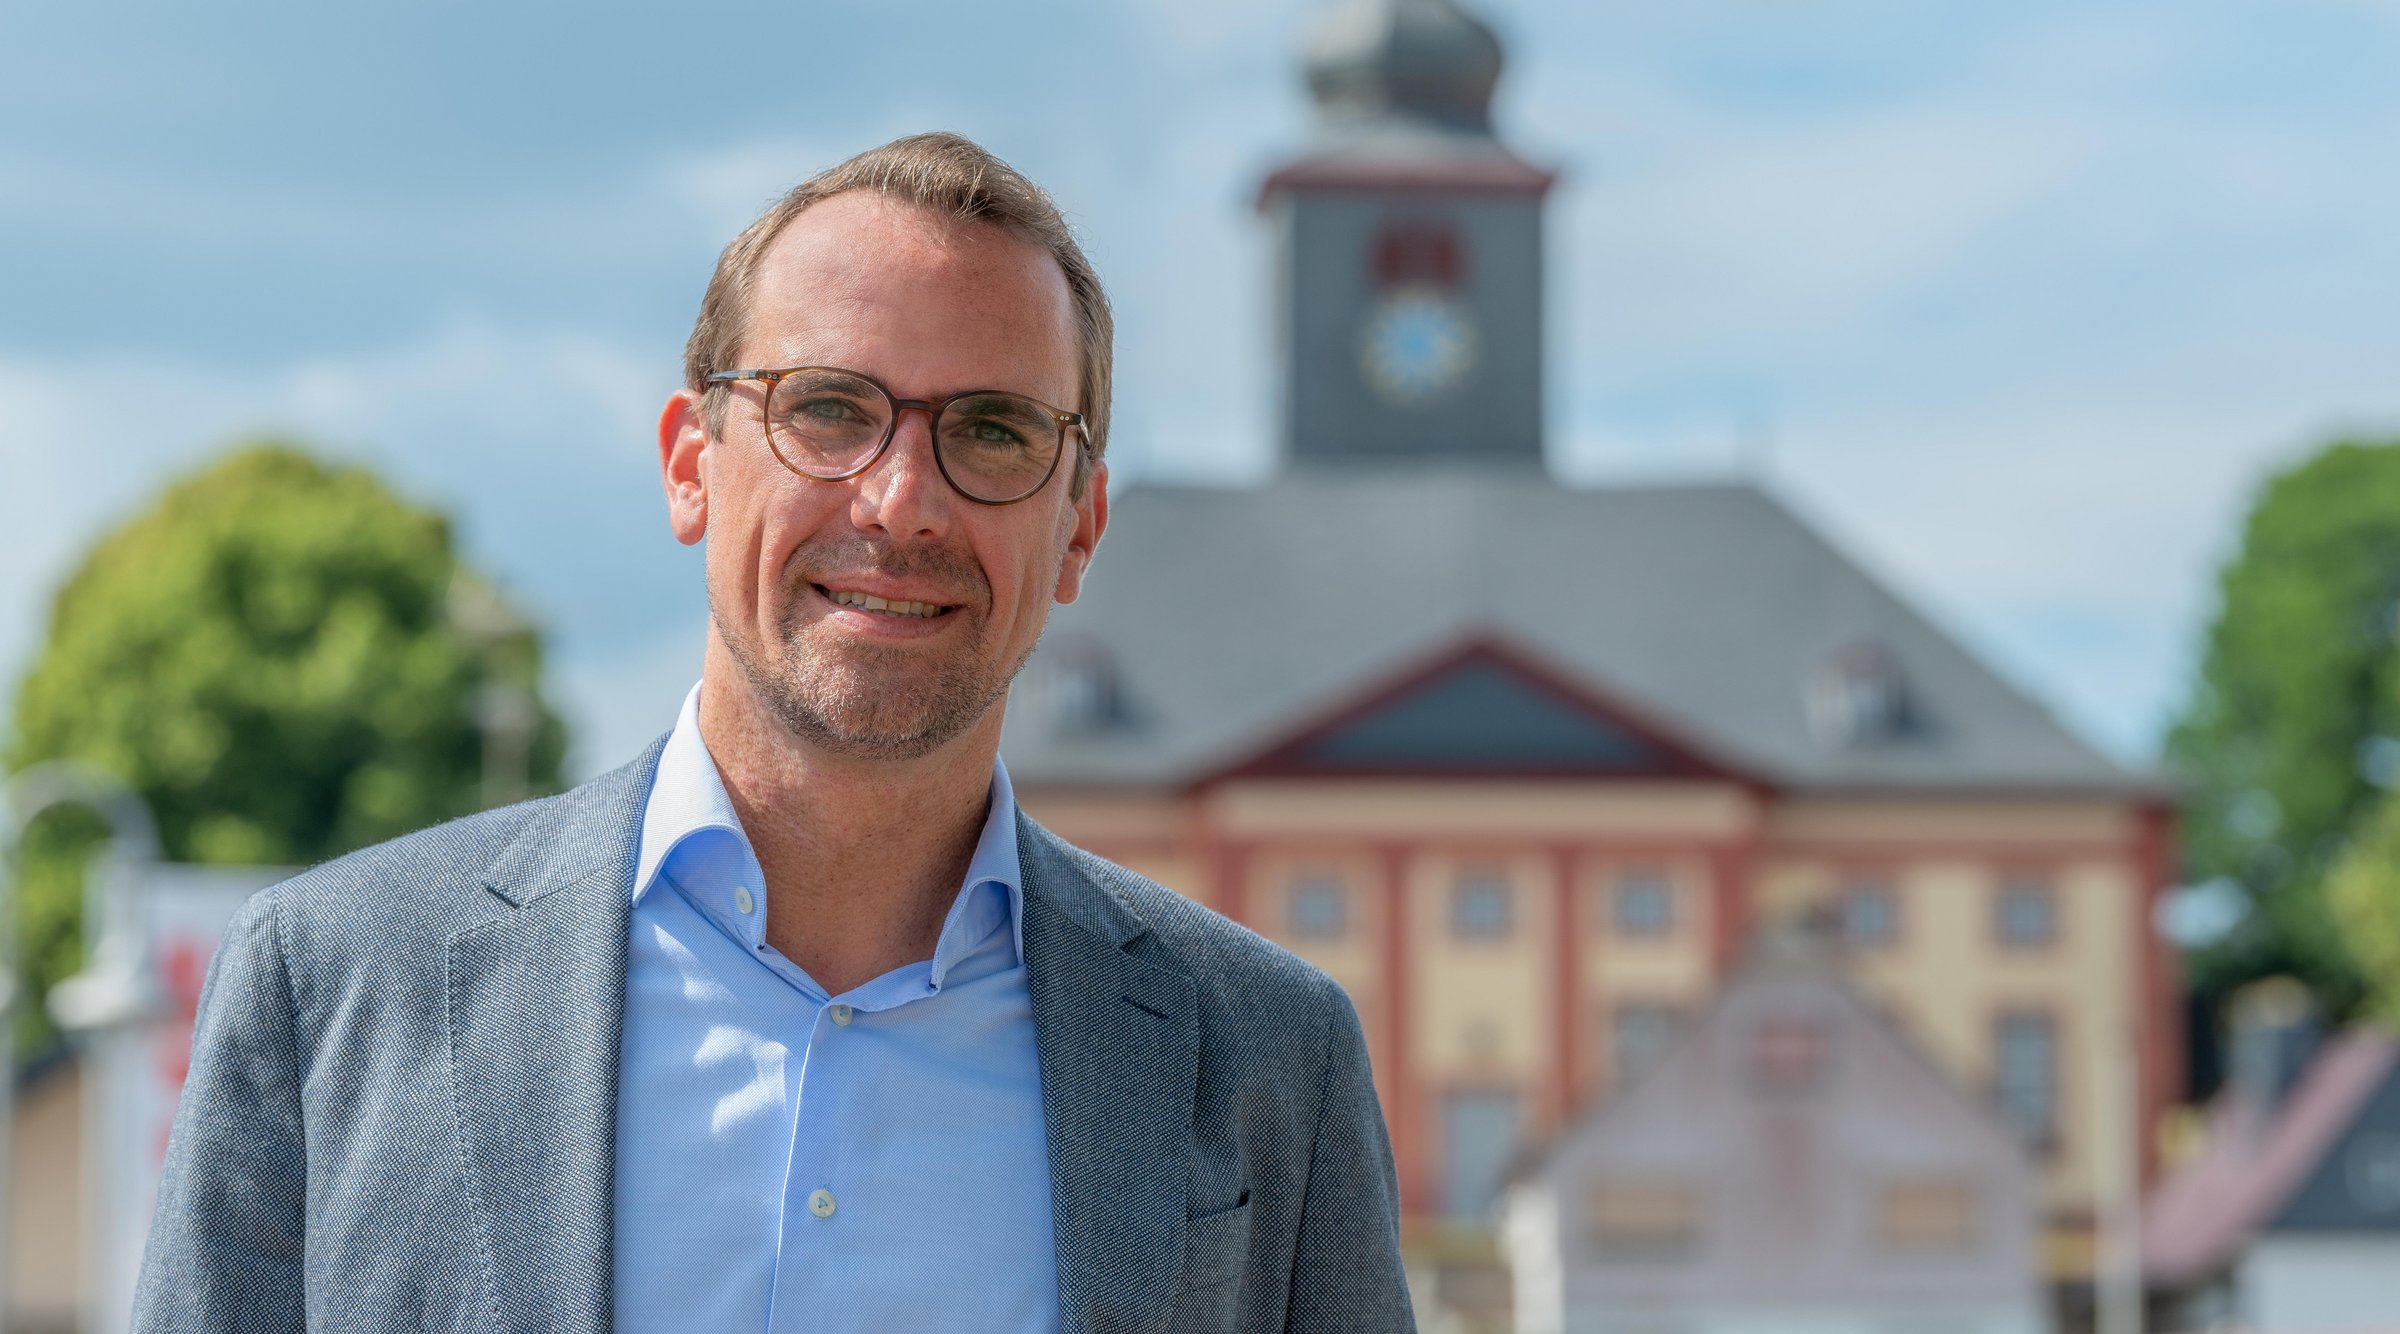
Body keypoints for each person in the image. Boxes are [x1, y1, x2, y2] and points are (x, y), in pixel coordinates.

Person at [132, 132, 1413, 1332]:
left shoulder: (1267, 1059)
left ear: (1079, 526)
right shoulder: (333, 989)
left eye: (993, 430)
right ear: (692, 463)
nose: (903, 499)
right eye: (829, 407)